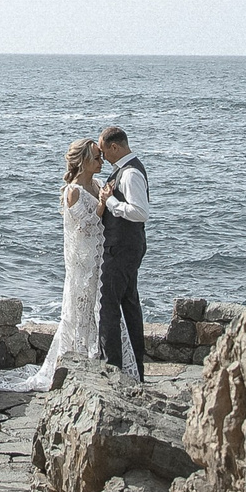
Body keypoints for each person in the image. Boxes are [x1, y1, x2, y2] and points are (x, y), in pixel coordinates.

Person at [0, 137, 137, 390]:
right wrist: (101, 204)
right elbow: (85, 226)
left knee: (102, 310)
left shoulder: (98, 184)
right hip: (82, 261)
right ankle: (77, 360)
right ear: (84, 161)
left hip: (100, 256)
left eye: (100, 157)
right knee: (80, 310)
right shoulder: (72, 191)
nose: (101, 161)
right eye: (96, 158)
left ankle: (102, 360)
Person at [96, 125, 149, 381]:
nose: (102, 157)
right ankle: (135, 369)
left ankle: (113, 367)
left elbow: (140, 212)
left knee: (109, 306)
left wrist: (112, 203)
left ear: (114, 147)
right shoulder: (124, 171)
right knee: (128, 305)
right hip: (126, 246)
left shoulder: (129, 175)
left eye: (104, 151)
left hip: (123, 247)